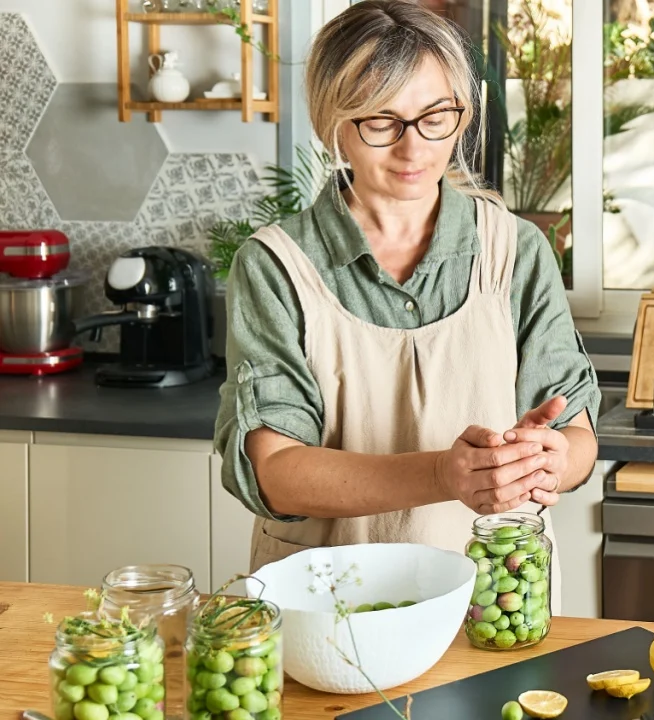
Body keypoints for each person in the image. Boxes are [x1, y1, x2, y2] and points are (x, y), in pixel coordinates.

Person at [212, 0, 600, 614]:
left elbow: (575, 433)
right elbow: (275, 469)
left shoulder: (516, 250)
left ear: (461, 114)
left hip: (494, 606)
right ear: (332, 124)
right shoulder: (277, 265)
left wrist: (550, 462)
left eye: (434, 116)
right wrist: (444, 475)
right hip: (327, 608)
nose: (413, 147)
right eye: (380, 121)